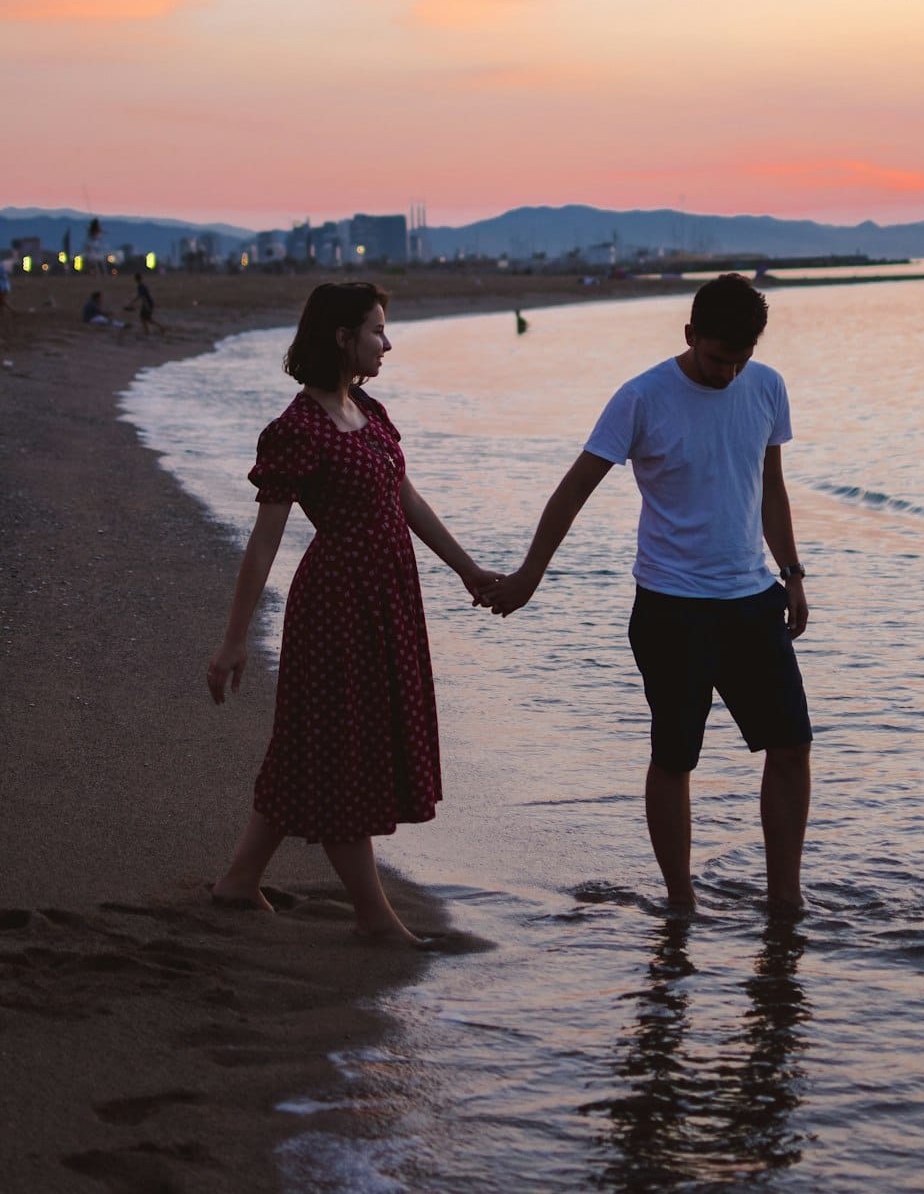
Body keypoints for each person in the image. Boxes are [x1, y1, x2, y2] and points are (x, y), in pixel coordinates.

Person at [482, 274, 812, 912]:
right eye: (717, 359)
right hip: (671, 607)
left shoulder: (767, 386)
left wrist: (792, 572)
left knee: (792, 745)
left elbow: (771, 486)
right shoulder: (641, 397)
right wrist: (529, 575)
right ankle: (680, 901)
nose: (728, 373)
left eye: (741, 359)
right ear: (690, 335)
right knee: (675, 757)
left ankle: (786, 901)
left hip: (752, 599)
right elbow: (574, 489)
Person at [207, 281, 499, 944]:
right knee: (344, 752)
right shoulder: (297, 429)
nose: (386, 343)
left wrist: (468, 569)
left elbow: (405, 499)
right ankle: (375, 917)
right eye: (376, 330)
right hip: (336, 607)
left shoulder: (367, 409)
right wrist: (233, 640)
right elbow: (265, 542)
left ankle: (239, 880)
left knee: (306, 746)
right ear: (342, 338)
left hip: (388, 599)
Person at [125, 270, 166, 337]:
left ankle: (158, 328)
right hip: (148, 303)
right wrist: (132, 302)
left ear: (135, 279)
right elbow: (140, 296)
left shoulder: (140, 286)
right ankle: (150, 330)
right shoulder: (142, 286)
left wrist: (146, 306)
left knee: (146, 318)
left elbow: (143, 297)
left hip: (147, 304)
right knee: (145, 318)